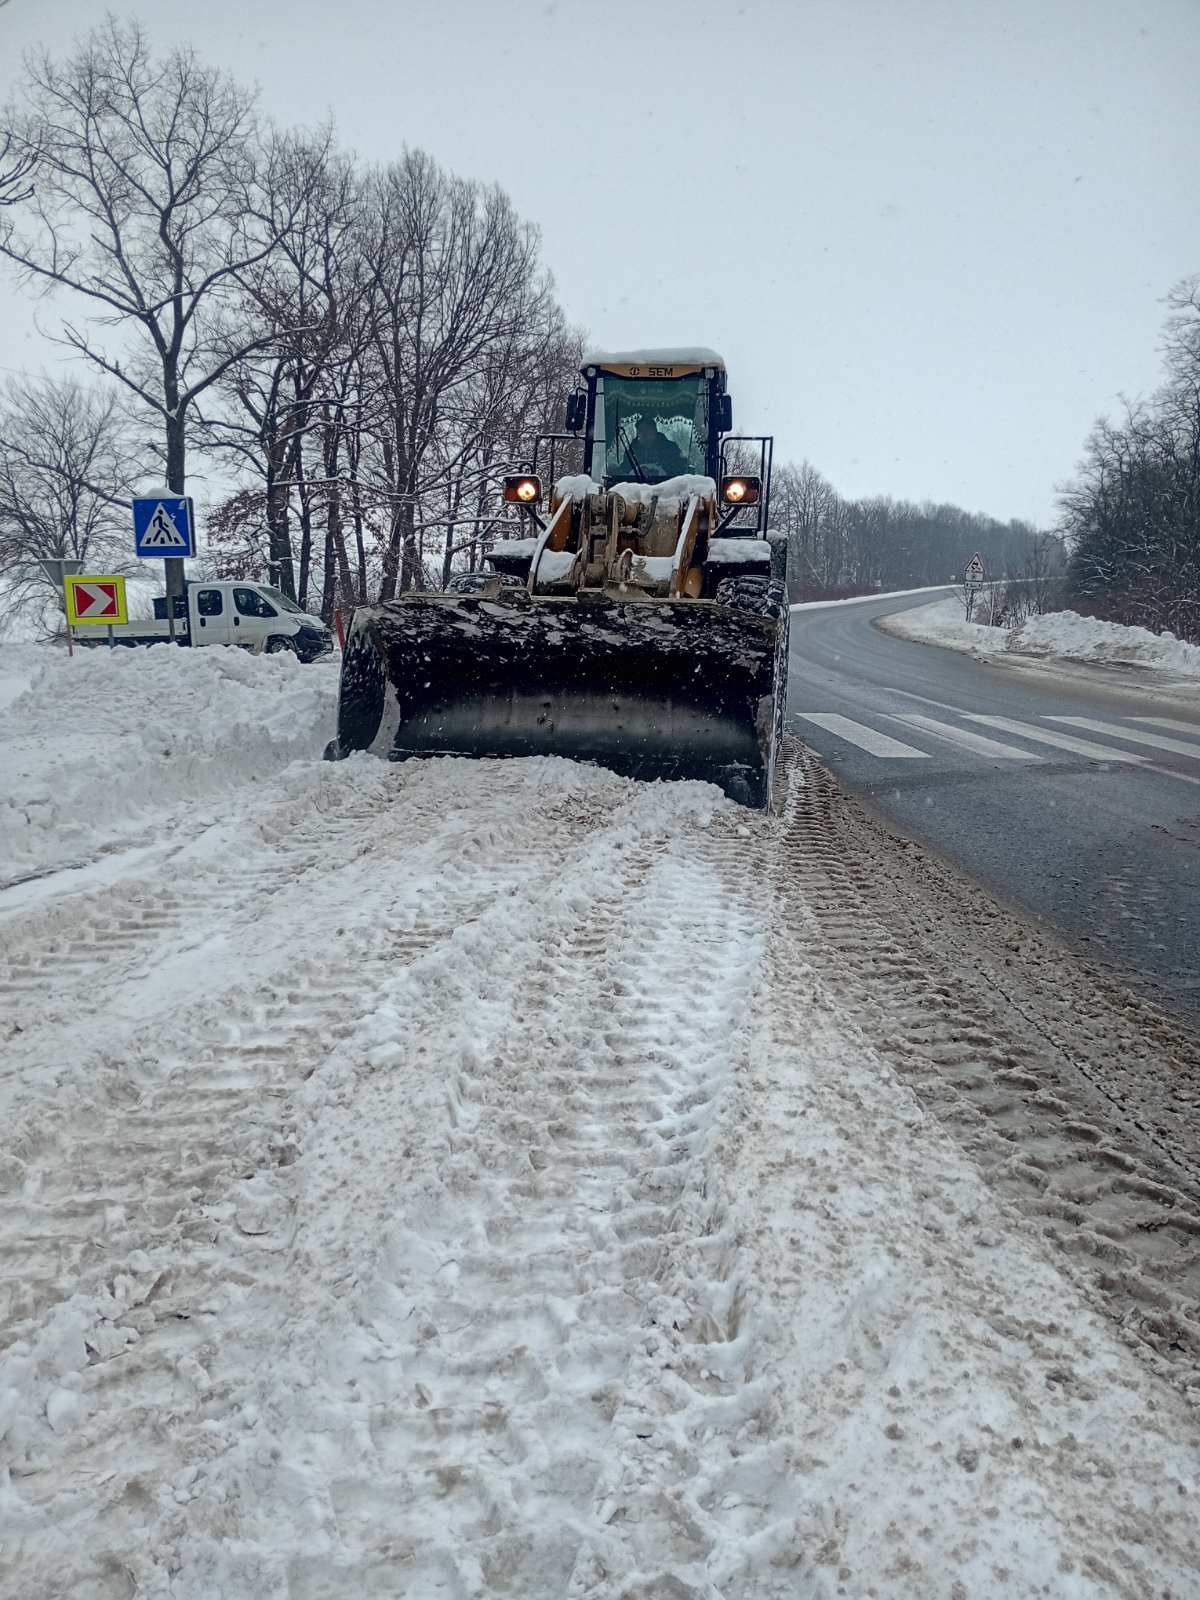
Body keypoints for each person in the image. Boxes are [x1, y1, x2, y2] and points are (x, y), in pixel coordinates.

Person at [618, 412, 687, 480]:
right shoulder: (631, 451)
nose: (644, 434)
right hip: (636, 488)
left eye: (648, 430)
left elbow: (679, 471)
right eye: (641, 431)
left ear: (655, 430)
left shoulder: (670, 449)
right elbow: (625, 471)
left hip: (666, 487)